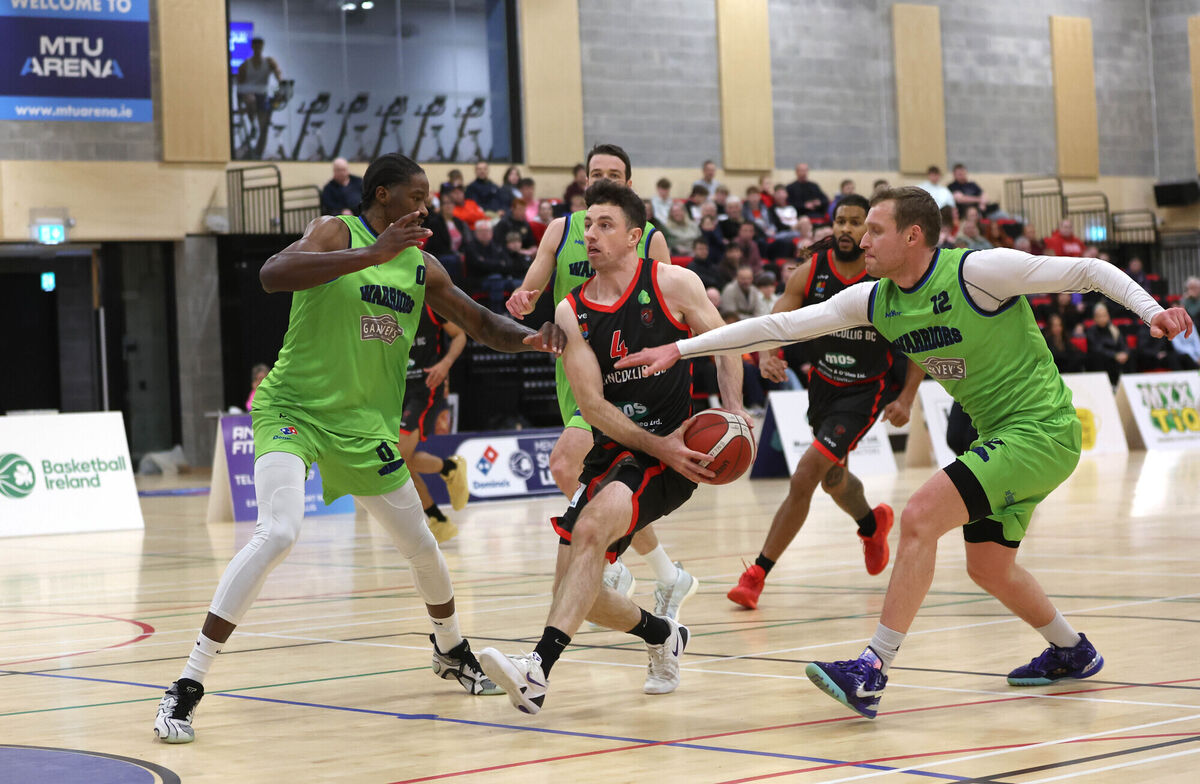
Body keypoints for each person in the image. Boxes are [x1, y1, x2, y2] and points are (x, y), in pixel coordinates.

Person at [618, 186, 1192, 720]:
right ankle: (1073, 651)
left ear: (912, 236)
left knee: (918, 516)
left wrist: (1152, 312)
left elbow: (1089, 269)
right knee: (988, 567)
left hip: (1041, 430)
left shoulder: (980, 272)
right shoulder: (875, 300)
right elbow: (783, 326)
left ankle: (871, 670)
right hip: (1000, 435)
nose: (860, 241)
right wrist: (681, 347)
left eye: (874, 230)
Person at [152, 153, 567, 743]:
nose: (425, 206)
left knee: (422, 547)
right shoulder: (335, 231)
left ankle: (450, 650)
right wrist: (372, 254)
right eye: (415, 195)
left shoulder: (423, 267)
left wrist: (536, 339)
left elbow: (480, 322)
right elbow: (273, 274)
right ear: (380, 197)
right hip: (292, 411)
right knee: (280, 531)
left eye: (428, 197)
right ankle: (186, 685)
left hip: (364, 430)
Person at [478, 180, 745, 714]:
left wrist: (733, 414)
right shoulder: (571, 311)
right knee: (579, 594)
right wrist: (656, 445)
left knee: (593, 529)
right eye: (588, 224)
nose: (592, 234)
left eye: (605, 224)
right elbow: (593, 407)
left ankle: (536, 670)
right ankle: (661, 633)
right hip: (624, 448)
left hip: (672, 455)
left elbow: (727, 343)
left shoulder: (674, 283)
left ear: (635, 236)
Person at [505, 144, 699, 620]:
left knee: (564, 463)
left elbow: (657, 300)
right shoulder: (561, 229)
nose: (601, 178)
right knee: (586, 476)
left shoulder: (648, 236)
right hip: (573, 366)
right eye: (595, 172)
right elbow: (534, 283)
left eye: (612, 173)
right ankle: (666, 573)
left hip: (620, 377)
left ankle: (614, 560)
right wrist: (524, 299)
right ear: (583, 178)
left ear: (629, 184)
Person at [727, 195, 923, 610]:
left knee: (805, 476)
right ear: (830, 226)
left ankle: (756, 574)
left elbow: (918, 344)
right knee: (834, 480)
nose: (848, 230)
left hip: (865, 392)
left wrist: (906, 396)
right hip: (823, 386)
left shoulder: (885, 280)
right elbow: (779, 315)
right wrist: (767, 353)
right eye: (841, 222)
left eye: (858, 223)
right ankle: (872, 524)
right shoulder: (811, 271)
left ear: (870, 230)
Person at [398, 304, 470, 543]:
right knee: (402, 461)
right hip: (397, 390)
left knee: (398, 458)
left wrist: (445, 364)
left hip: (426, 386)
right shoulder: (382, 306)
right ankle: (449, 470)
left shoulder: (430, 306)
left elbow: (460, 335)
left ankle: (437, 518)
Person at [236, 37, 283, 159]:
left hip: (262, 96)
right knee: (251, 99)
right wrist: (240, 103)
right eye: (256, 46)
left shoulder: (269, 62)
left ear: (262, 47)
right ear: (252, 47)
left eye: (260, 46)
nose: (258, 49)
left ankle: (258, 153)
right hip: (249, 96)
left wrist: (281, 88)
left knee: (264, 127)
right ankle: (253, 125)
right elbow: (239, 86)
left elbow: (279, 74)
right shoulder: (245, 65)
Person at [1085, 302, 1134, 385]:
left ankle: (1128, 383)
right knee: (1099, 358)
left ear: (1108, 316)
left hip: (1116, 358)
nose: (1102, 318)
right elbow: (1097, 349)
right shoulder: (1091, 331)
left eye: (1104, 315)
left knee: (1132, 354)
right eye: (1099, 316)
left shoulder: (1113, 329)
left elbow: (1123, 344)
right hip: (1102, 360)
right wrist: (1115, 355)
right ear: (1094, 318)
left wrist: (1125, 353)